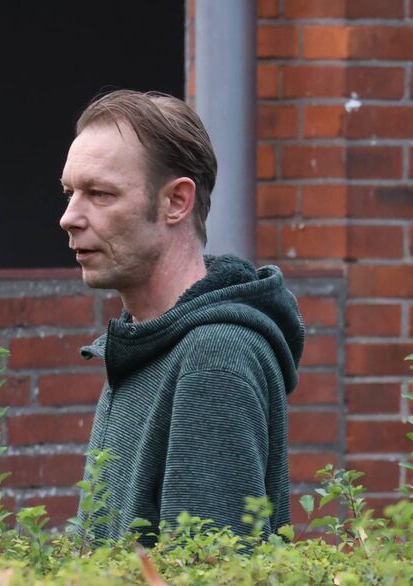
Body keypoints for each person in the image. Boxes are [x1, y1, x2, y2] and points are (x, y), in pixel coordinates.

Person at [59, 89, 304, 545]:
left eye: (99, 194)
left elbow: (211, 570)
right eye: (70, 193)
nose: (69, 217)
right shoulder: (145, 344)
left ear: (176, 202)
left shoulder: (213, 358)